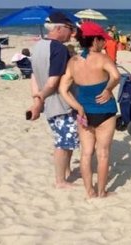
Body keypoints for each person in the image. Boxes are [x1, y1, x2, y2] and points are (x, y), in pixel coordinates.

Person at [59, 21, 120, 199]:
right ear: (95, 40)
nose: (104, 43)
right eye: (102, 40)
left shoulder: (73, 61)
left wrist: (77, 106)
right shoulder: (102, 58)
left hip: (84, 112)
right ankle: (102, 192)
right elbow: (116, 76)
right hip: (105, 110)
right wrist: (108, 89)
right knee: (103, 154)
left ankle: (89, 192)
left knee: (86, 154)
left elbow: (63, 89)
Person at [26, 12, 79, 189]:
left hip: (49, 103)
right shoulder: (58, 49)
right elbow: (53, 81)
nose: (71, 33)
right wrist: (40, 98)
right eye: (69, 29)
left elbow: (33, 76)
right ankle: (60, 180)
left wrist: (37, 98)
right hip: (60, 103)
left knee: (67, 140)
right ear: (58, 28)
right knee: (63, 143)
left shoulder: (38, 45)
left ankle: (68, 171)